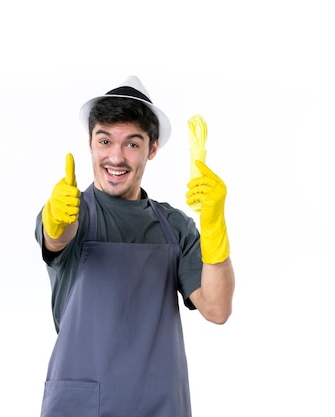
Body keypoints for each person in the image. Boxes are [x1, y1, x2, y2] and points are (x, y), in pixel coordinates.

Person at [34, 75, 235, 417]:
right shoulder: (69, 210)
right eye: (105, 140)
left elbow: (217, 309)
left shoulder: (173, 226)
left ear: (152, 149)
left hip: (158, 402)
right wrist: (56, 223)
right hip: (81, 404)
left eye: (132, 144)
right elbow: (57, 238)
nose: (116, 157)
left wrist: (213, 223)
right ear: (90, 144)